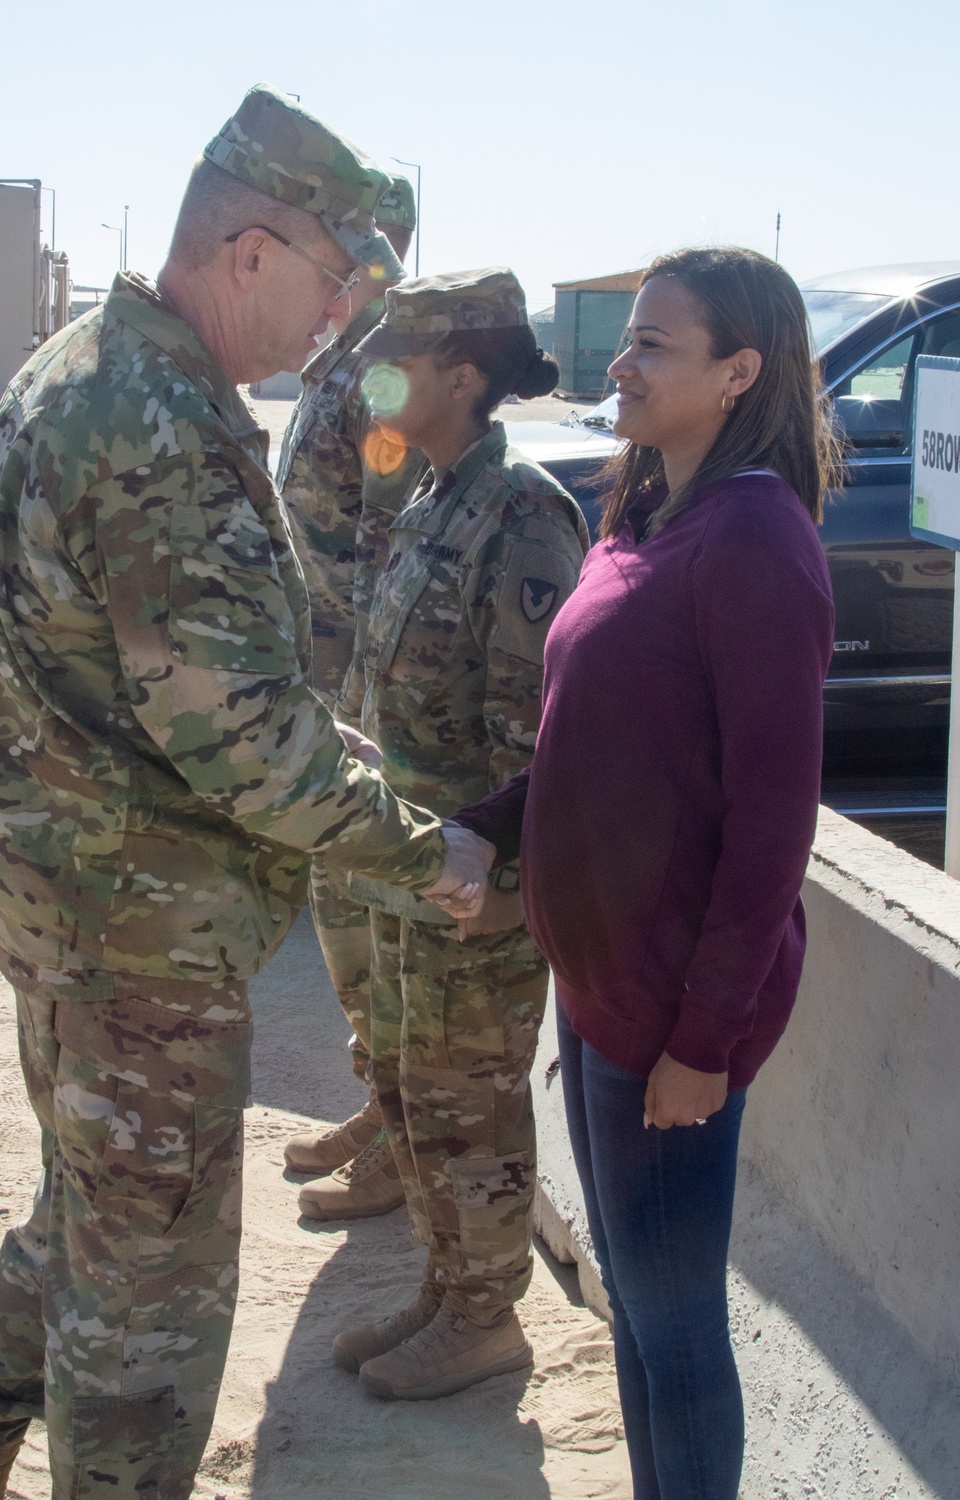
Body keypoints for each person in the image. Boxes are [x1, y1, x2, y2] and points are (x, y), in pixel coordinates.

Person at [0, 85, 489, 1500]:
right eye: (330, 287)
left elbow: (178, 673)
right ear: (249, 250)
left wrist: (338, 753)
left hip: (76, 914)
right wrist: (423, 848)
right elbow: (245, 741)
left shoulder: (88, 367)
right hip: (140, 950)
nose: (339, 330)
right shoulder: (156, 420)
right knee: (147, 1317)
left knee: (86, 1218)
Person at [449, 247, 838, 1498]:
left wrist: (701, 1044)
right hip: (604, 992)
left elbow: (773, 825)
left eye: (652, 345)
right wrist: (487, 828)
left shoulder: (758, 540)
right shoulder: (646, 512)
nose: (617, 362)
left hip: (671, 1017)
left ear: (737, 373)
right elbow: (595, 751)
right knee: (635, 1308)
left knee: (674, 1336)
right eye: (626, 337)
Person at [329, 268, 590, 1401]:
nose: (372, 378)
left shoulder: (525, 510)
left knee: (468, 1104)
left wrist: (501, 879)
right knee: (410, 1091)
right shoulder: (435, 495)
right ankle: (448, 1288)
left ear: (465, 375)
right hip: (408, 872)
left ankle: (487, 1316)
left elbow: (543, 737)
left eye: (400, 357)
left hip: (474, 884)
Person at [278, 176, 428, 1222]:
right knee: (342, 913)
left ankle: (408, 1135)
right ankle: (383, 1101)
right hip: (325, 676)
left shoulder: (382, 364)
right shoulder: (337, 354)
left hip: (366, 690)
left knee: (378, 916)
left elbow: (390, 534)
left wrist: (374, 693)